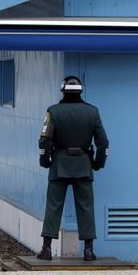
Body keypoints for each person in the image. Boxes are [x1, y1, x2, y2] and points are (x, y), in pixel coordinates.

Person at [37, 76, 108, 261]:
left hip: (59, 164)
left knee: (53, 206)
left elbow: (45, 140)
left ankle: (46, 249)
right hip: (84, 165)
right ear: (80, 91)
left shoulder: (53, 111)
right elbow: (103, 142)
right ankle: (88, 250)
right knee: (86, 207)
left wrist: (45, 160)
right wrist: (98, 164)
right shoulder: (92, 112)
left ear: (63, 90)